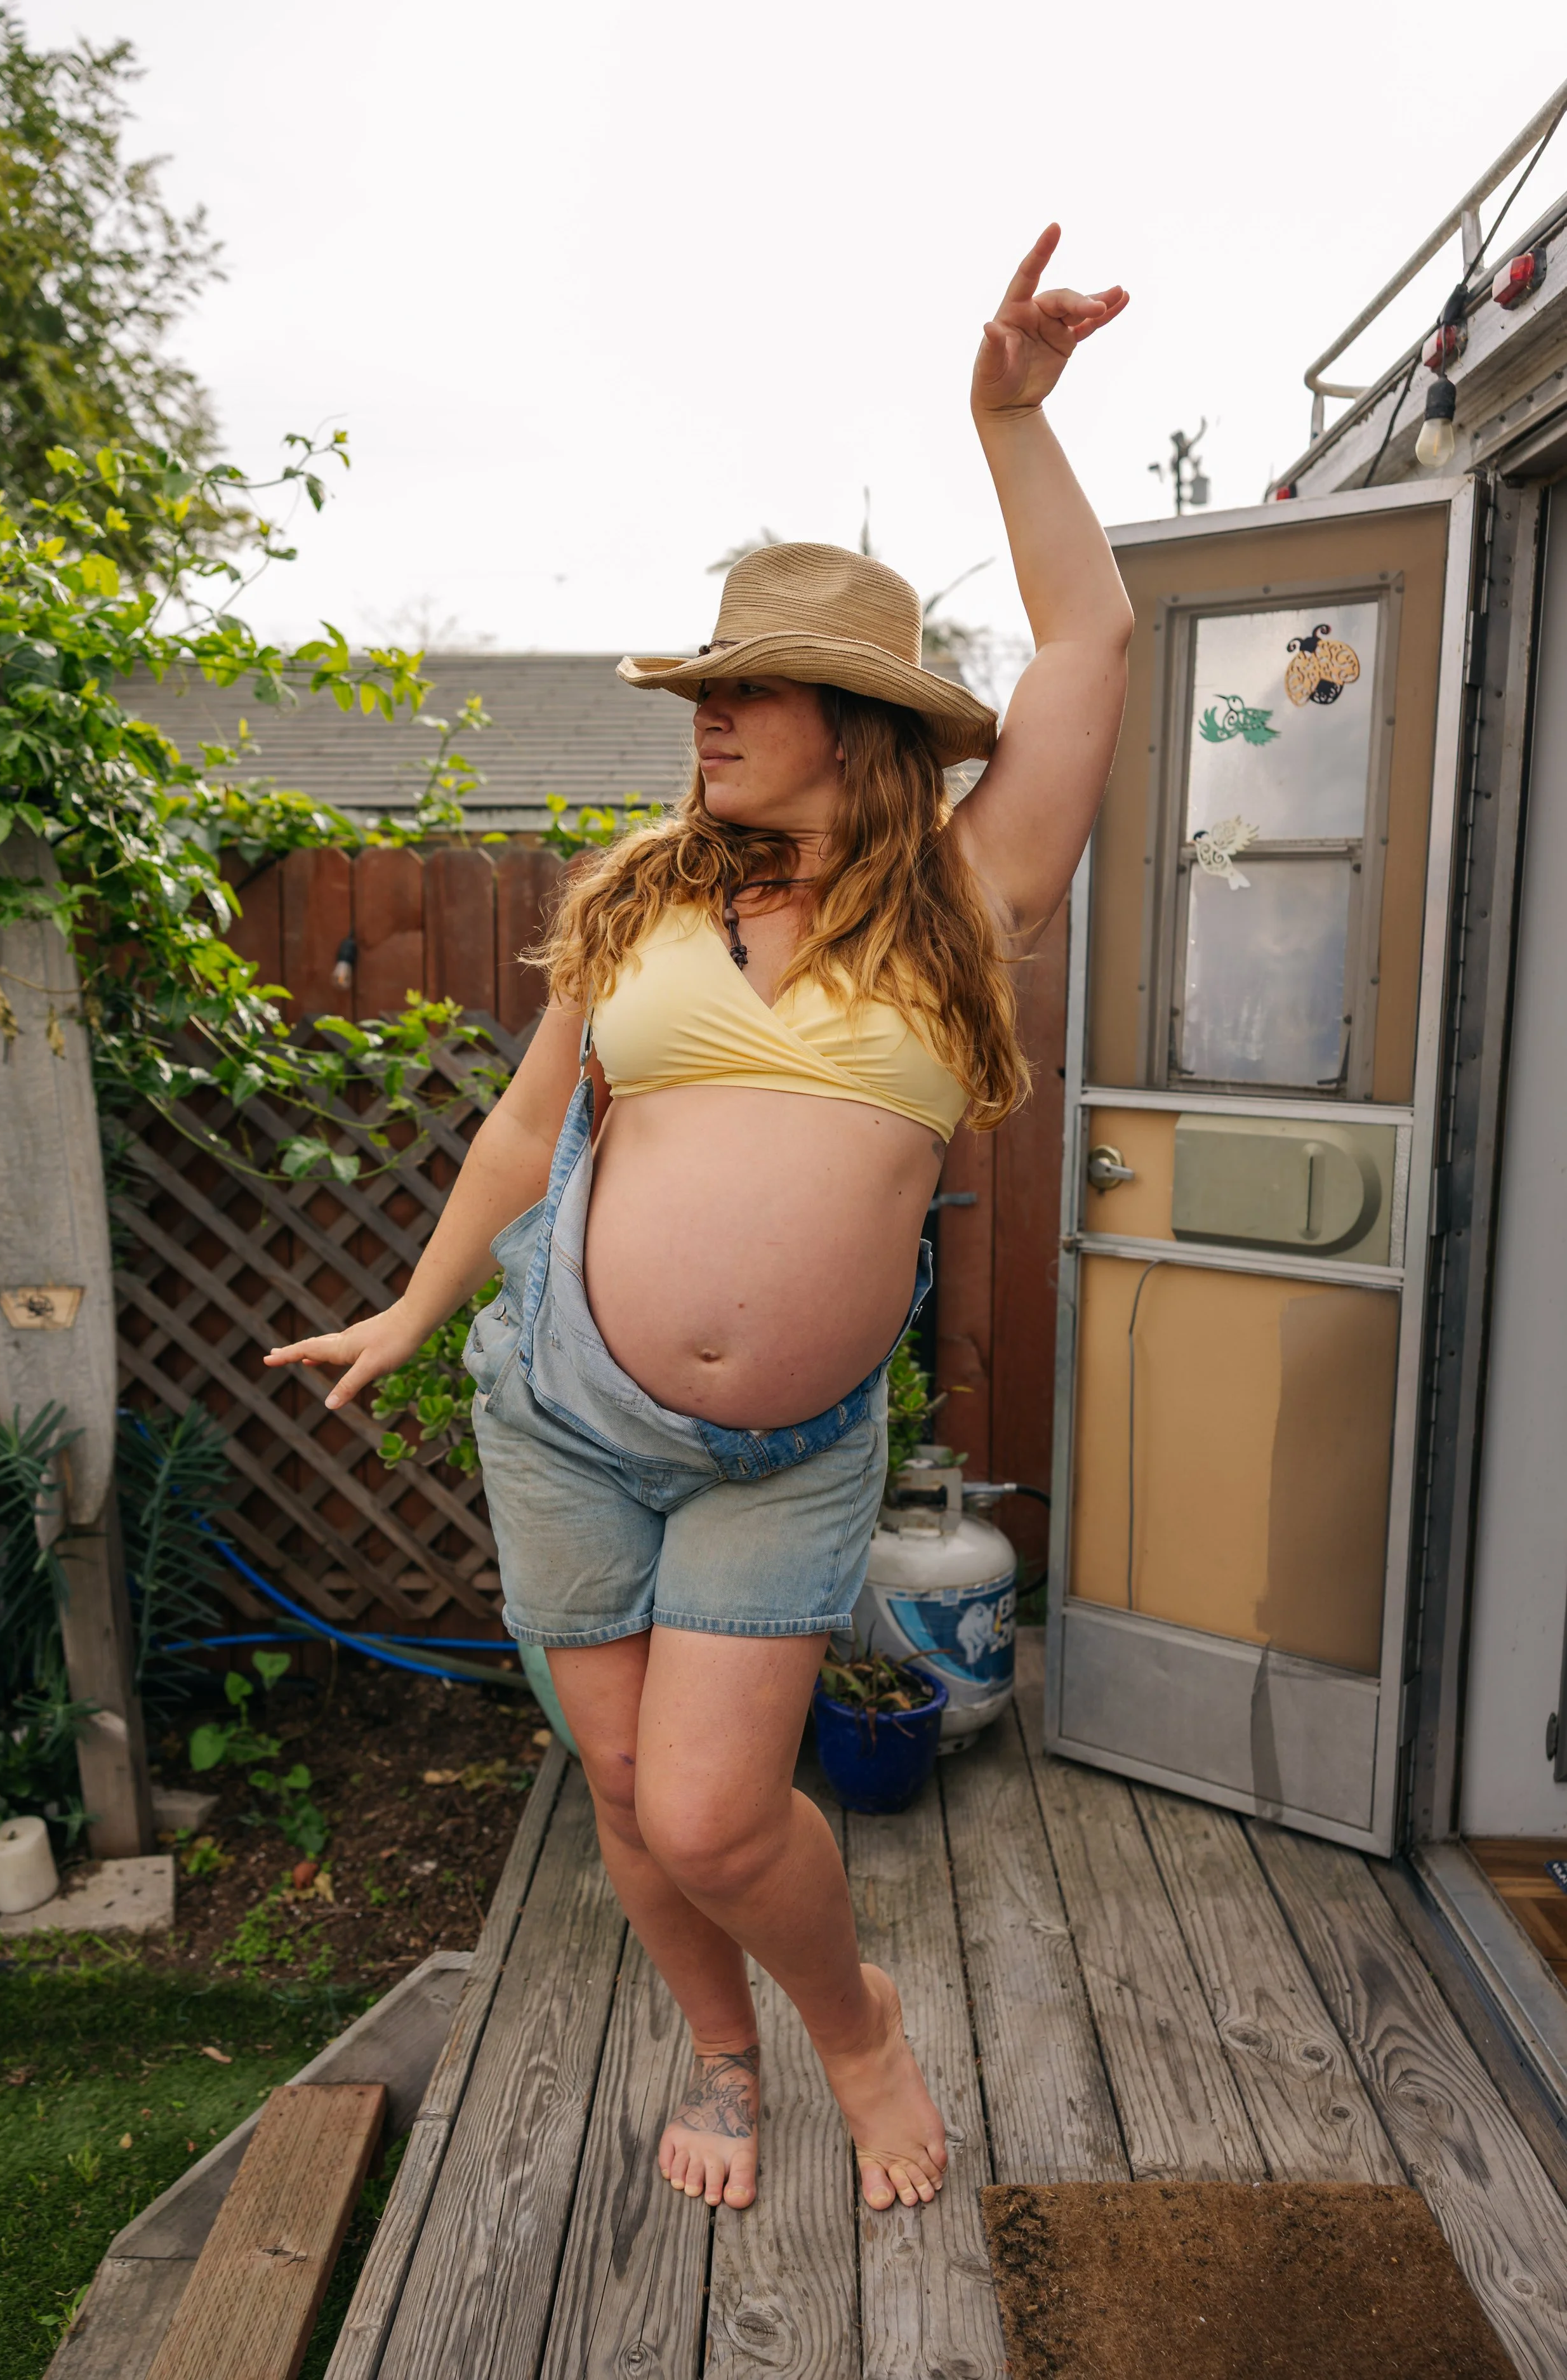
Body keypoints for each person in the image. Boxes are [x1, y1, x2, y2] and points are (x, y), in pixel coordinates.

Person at [266, 226, 1130, 2218]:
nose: (708, 713)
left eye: (751, 689)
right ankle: (721, 2060)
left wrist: (1003, 418)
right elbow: (520, 1128)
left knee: (730, 1806)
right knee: (637, 1796)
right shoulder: (646, 896)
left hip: (776, 1456)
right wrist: (407, 1311)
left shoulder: (970, 904)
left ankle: (853, 2028)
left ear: (863, 721)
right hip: (561, 1410)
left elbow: (1083, 649)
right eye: (704, 683)